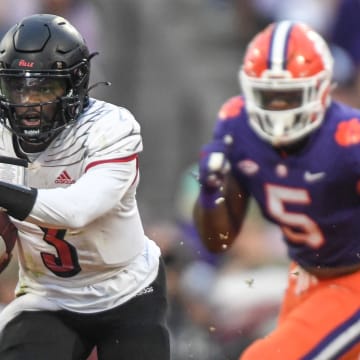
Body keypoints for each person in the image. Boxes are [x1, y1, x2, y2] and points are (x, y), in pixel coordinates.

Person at [0, 14, 170, 360]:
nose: (28, 103)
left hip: (128, 290)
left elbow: (77, 210)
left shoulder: (110, 127)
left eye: (44, 88)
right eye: (19, 87)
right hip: (48, 296)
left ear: (74, 84)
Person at [194, 20, 360, 359]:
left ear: (321, 90)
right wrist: (212, 192)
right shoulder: (237, 125)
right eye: (269, 96)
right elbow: (219, 241)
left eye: (289, 96)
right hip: (303, 278)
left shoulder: (349, 141)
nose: (279, 109)